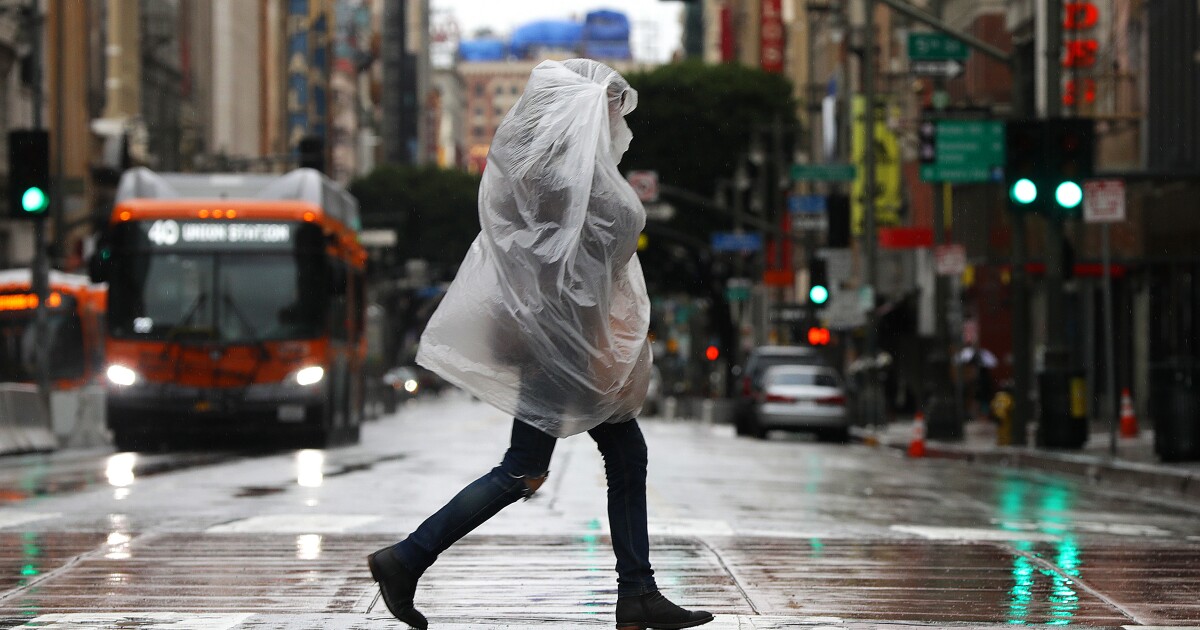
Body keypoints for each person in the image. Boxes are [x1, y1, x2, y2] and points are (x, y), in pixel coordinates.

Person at [366, 59, 714, 630]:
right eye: (603, 107)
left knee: (596, 461)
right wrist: (601, 349)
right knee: (528, 470)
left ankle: (638, 593)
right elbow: (572, 277)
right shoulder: (565, 182)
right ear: (575, 113)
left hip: (558, 342)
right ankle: (406, 559)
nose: (612, 119)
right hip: (564, 347)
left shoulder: (550, 177)